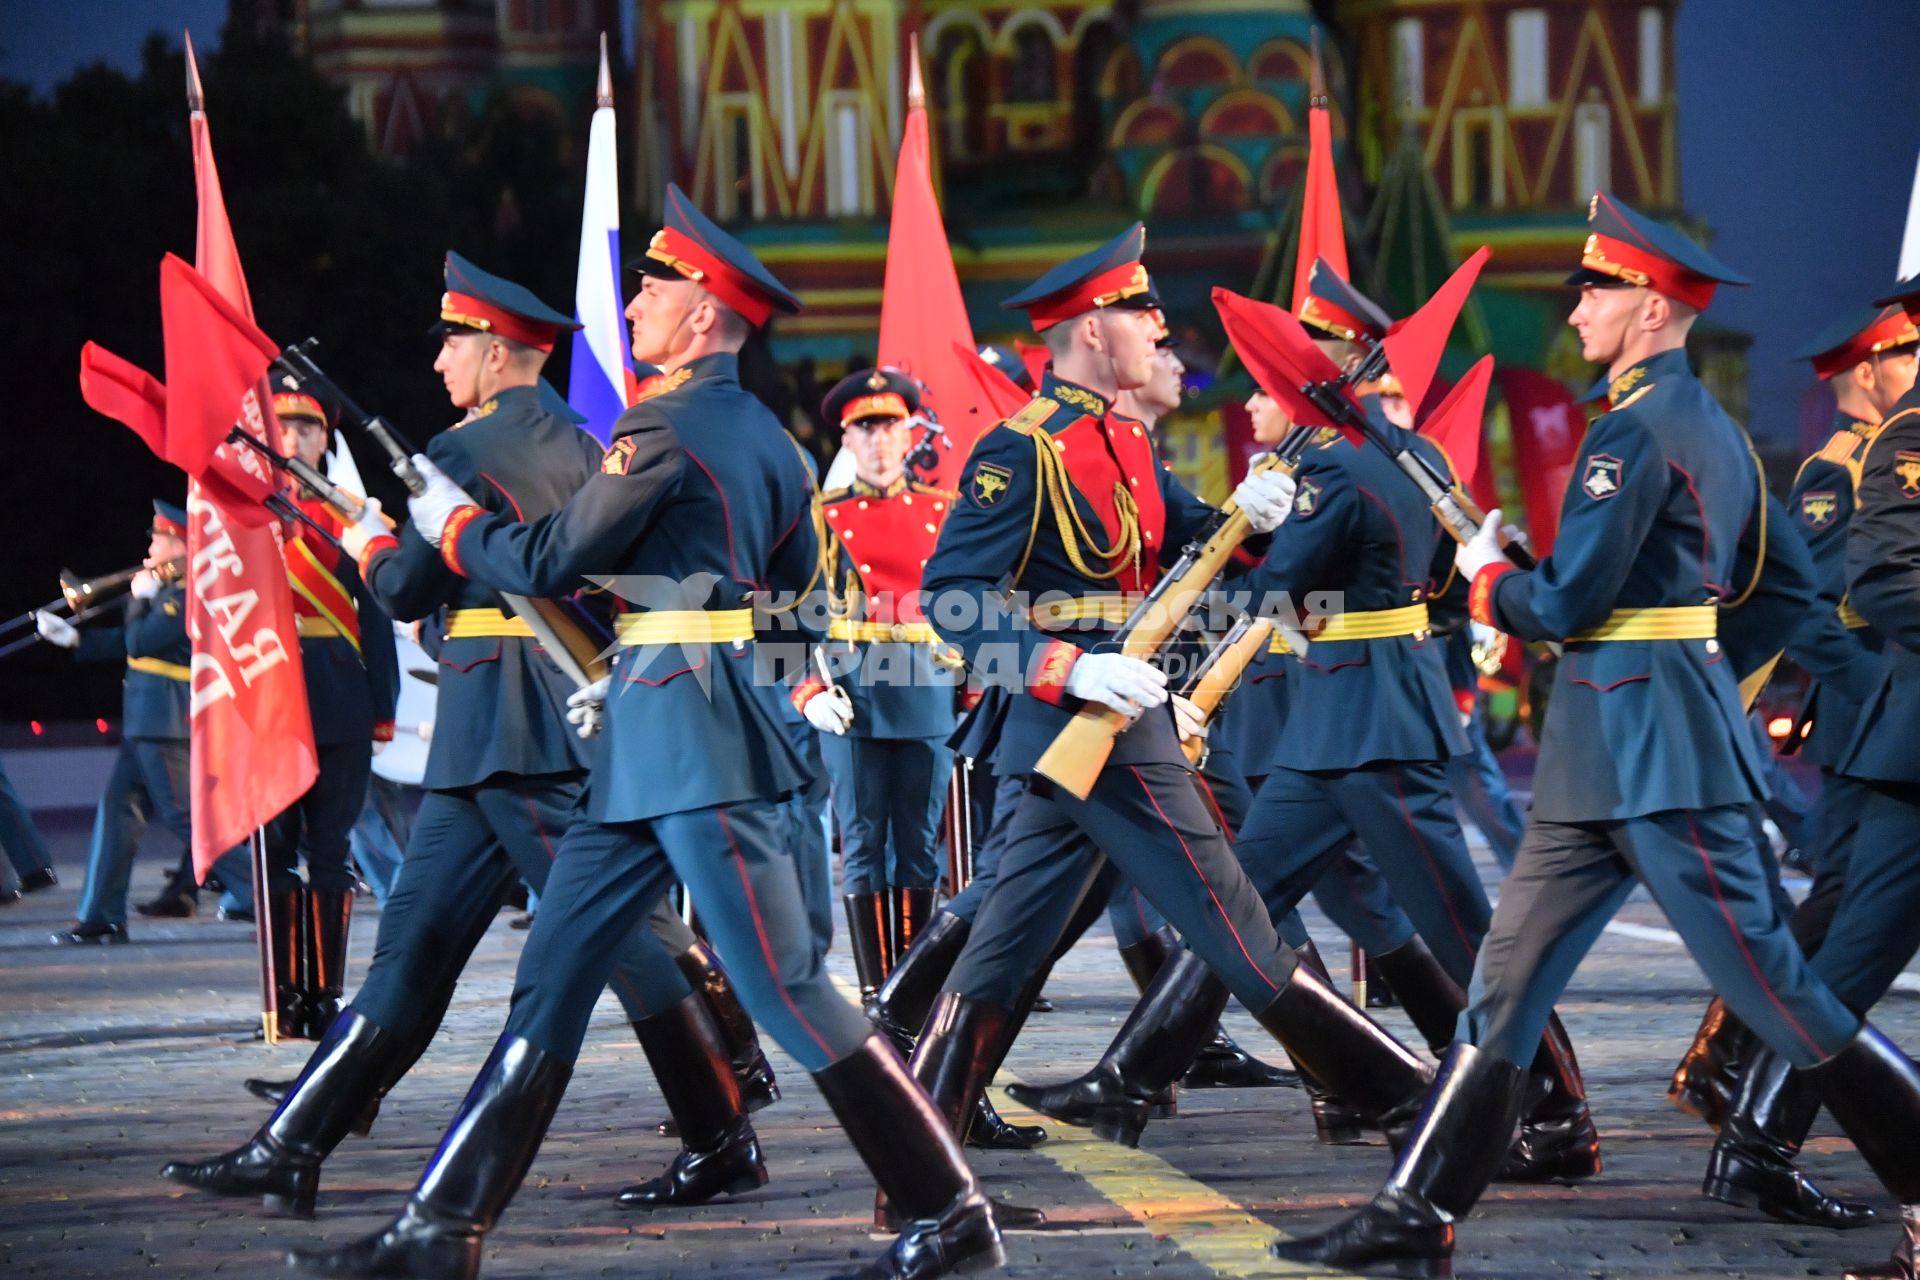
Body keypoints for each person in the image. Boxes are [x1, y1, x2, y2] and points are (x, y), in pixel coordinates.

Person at [281, 186, 1005, 1280]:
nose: (633, 310)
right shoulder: (767, 437)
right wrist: (662, 666)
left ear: (705, 315)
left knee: (789, 986)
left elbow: (543, 563)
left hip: (691, 747)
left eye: (656, 290)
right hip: (661, 733)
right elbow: (800, 605)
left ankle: (950, 1208)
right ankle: (441, 1227)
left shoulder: (660, 426)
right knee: (553, 976)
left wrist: (447, 522)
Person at [1271, 193, 1920, 1280]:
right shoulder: (1704, 427)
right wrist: (1689, 655)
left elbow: (1567, 608)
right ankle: (1417, 1211)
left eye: (1597, 291)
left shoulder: (1637, 428)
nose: (1576, 312)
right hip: (1613, 751)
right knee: (1504, 984)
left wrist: (1494, 576)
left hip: (1657, 760)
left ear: (1656, 309)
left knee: (1782, 993)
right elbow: (1779, 589)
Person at [161, 250, 775, 1223]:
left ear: (496, 352)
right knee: (413, 947)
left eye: (453, 341)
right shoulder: (589, 444)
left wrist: (363, 533)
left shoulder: (462, 452)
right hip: (517, 724)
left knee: (615, 940)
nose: (441, 359)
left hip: (513, 725)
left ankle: (722, 1120)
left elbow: (409, 587)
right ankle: (292, 1144)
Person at [901, 223, 1433, 1182]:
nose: (1159, 334)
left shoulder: (1126, 441)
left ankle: (917, 1178)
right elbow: (950, 595)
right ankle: (1414, 1106)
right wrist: (1068, 668)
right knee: (1236, 920)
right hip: (1091, 715)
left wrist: (1258, 515)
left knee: (1004, 951)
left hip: (1105, 719)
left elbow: (1197, 543)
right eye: (1143, 317)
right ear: (1095, 331)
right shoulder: (1022, 450)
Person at [1694, 288, 1920, 1238]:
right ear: (1866, 371)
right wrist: (1867, 687)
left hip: (1890, 720)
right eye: (1901, 357)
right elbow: (1828, 597)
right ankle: (1743, 1111)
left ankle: (1751, 1123)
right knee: (1842, 930)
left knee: (1844, 931)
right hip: (1883, 716)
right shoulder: (1857, 463)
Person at [793, 368, 962, 997]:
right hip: (851, 693)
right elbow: (788, 611)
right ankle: (874, 990)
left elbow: (974, 599)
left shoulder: (944, 511)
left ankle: (910, 989)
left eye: (890, 424)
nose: (880, 440)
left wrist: (973, 690)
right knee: (862, 839)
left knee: (921, 844)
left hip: (927, 687)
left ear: (910, 430)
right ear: (846, 438)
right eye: (866, 428)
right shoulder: (821, 517)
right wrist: (805, 689)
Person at [38, 502, 203, 943]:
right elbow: (128, 644)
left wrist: (140, 600)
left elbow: (141, 639)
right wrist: (75, 638)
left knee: (187, 819)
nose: (149, 548)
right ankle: (101, 917)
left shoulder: (188, 593)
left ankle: (267, 896)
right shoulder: (168, 591)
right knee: (117, 813)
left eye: (157, 539)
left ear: (178, 544)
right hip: (146, 719)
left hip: (166, 720)